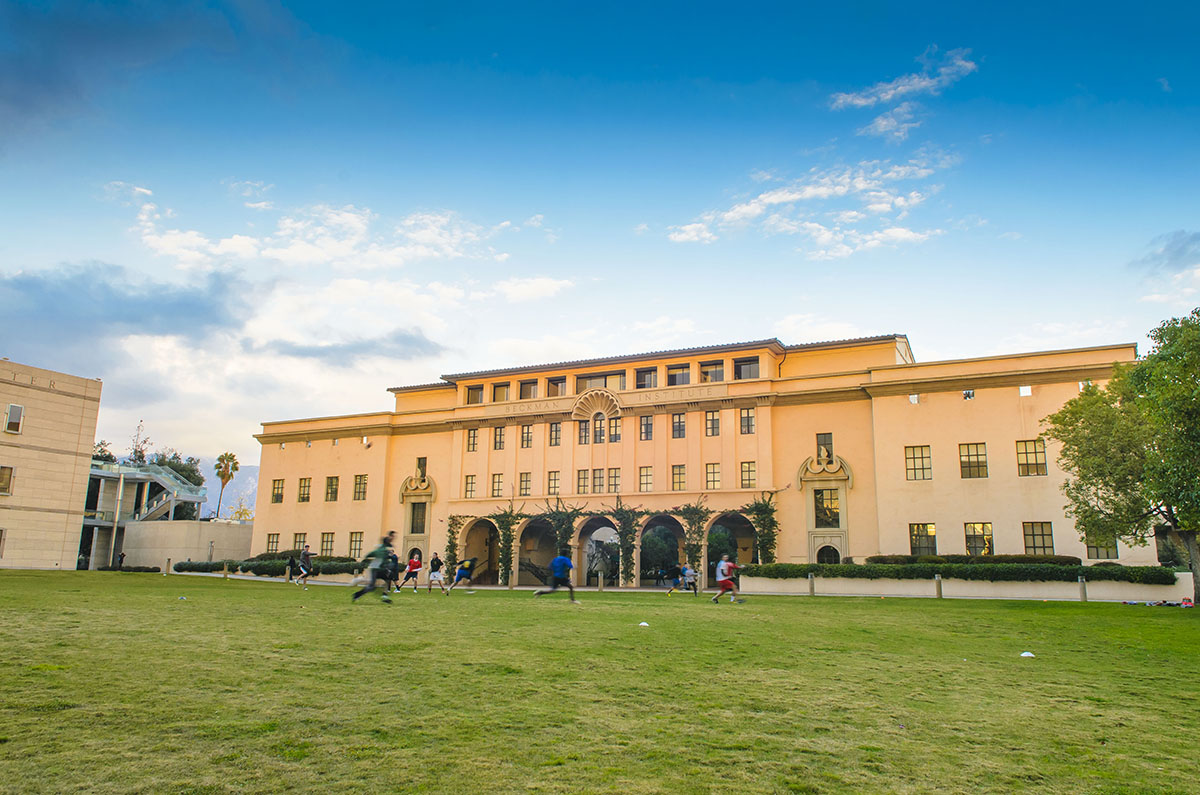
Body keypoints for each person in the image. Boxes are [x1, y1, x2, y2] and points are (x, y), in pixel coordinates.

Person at [352, 532, 395, 603]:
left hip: (375, 569)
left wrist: (364, 560)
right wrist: (389, 565)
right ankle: (357, 594)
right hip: (377, 570)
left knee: (383, 581)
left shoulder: (379, 549)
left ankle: (384, 595)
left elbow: (369, 554)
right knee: (378, 584)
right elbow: (384, 561)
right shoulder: (384, 551)